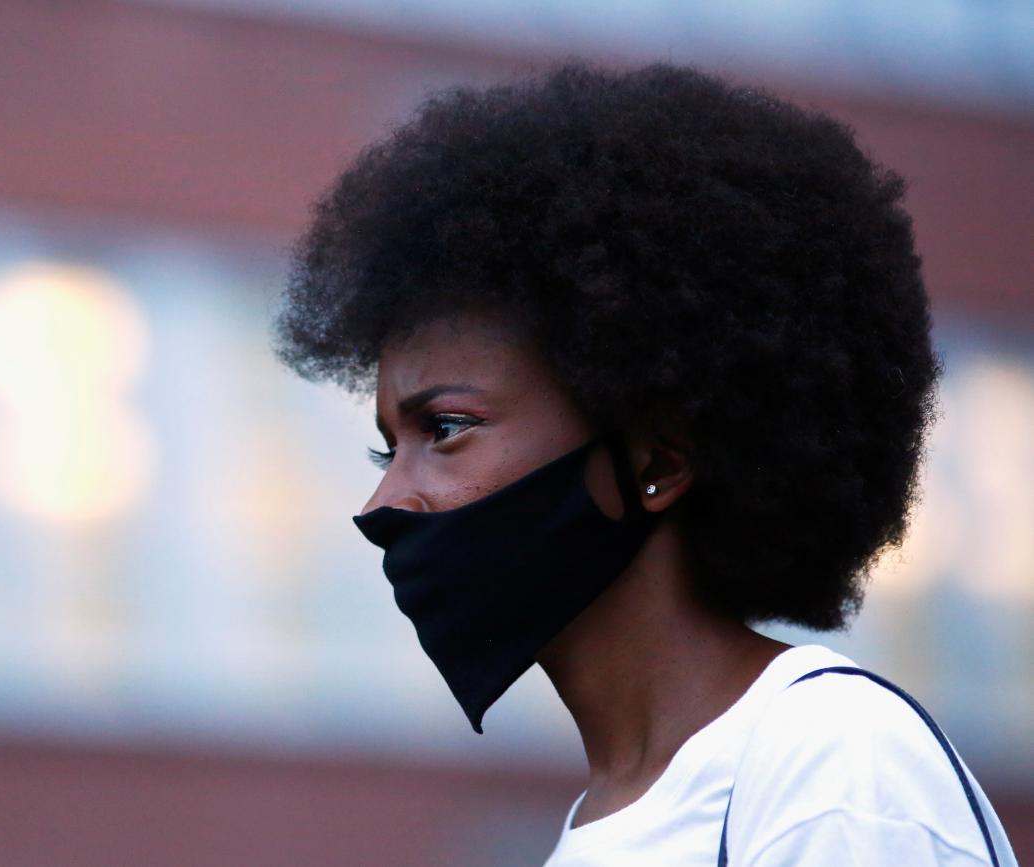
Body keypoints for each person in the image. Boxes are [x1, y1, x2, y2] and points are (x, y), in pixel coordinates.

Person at [272, 61, 1019, 865]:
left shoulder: (832, 768)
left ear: (657, 460)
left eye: (447, 427)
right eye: (390, 446)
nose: (385, 499)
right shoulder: (599, 830)